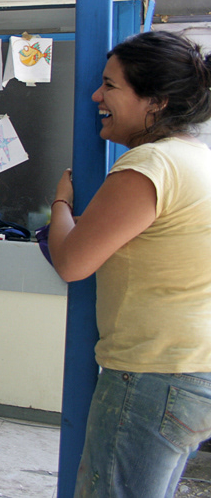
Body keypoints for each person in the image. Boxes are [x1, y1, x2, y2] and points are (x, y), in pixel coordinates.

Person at [47, 31, 211, 497]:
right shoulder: (195, 156)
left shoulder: (149, 165)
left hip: (151, 377)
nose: (96, 96)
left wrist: (61, 202)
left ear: (156, 101)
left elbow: (72, 261)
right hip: (189, 370)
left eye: (110, 85)